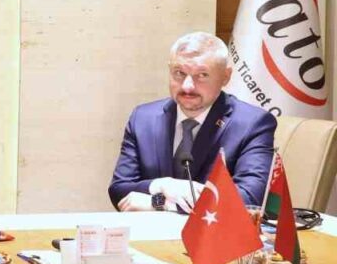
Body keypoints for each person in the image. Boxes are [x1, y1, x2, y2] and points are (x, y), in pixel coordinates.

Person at [109, 32, 276, 212]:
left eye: (202, 75)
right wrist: (162, 186)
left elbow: (250, 198)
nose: (187, 86)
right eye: (179, 73)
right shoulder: (143, 118)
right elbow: (120, 189)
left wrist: (158, 202)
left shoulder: (253, 124)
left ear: (225, 76)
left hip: (212, 230)